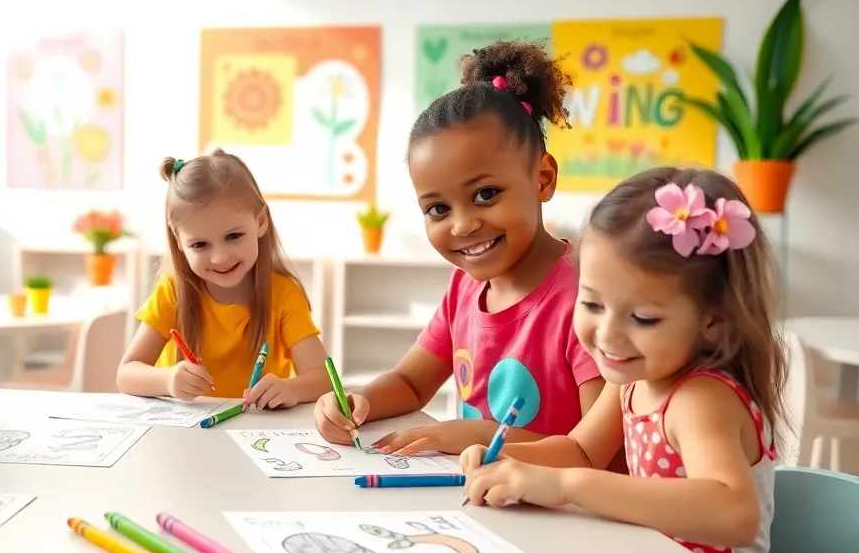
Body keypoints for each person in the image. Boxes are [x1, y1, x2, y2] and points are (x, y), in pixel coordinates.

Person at [461, 168, 784, 553]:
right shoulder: (633, 378)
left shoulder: (701, 400)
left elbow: (733, 513)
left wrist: (566, 486)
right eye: (592, 304)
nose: (609, 335)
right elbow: (580, 450)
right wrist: (509, 463)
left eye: (643, 318)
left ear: (714, 321)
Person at [314, 40, 603, 456]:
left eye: (486, 194)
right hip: (485, 500)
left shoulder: (588, 297)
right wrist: (361, 401)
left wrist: (481, 438)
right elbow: (412, 383)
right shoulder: (464, 288)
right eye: (437, 208)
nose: (463, 225)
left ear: (542, 179)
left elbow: (595, 452)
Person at [117, 151, 330, 408]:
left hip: (252, 433)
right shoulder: (173, 292)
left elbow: (324, 380)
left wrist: (290, 389)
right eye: (199, 244)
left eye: (233, 236)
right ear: (179, 242)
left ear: (260, 221)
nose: (219, 258)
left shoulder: (284, 295)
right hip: (183, 433)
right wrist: (168, 380)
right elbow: (126, 374)